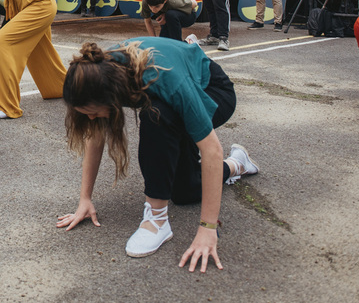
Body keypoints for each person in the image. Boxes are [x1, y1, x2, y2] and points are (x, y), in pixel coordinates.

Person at [56, 38, 259, 266]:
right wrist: (85, 199)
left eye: (93, 112)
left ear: (112, 96)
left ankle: (157, 221)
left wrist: (208, 228)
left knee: (156, 115)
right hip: (174, 95)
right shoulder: (98, 71)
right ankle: (236, 164)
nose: (90, 118)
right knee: (185, 191)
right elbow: (95, 134)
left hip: (211, 88)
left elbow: (212, 150)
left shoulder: (163, 78)